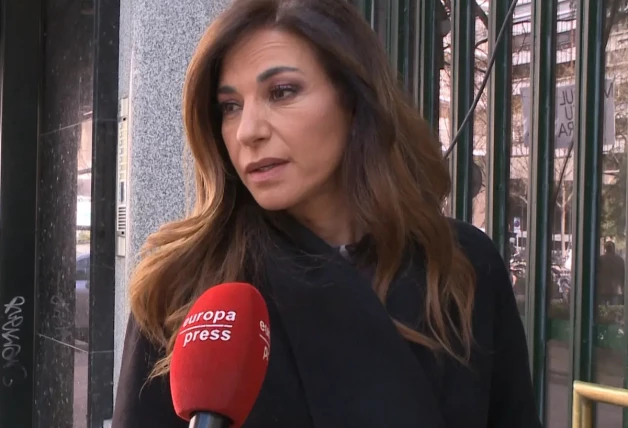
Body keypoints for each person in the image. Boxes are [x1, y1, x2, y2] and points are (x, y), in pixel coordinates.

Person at [112, 1, 542, 427]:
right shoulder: (188, 288)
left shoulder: (462, 270)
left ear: (353, 99)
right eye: (230, 106)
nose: (248, 131)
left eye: (281, 92)